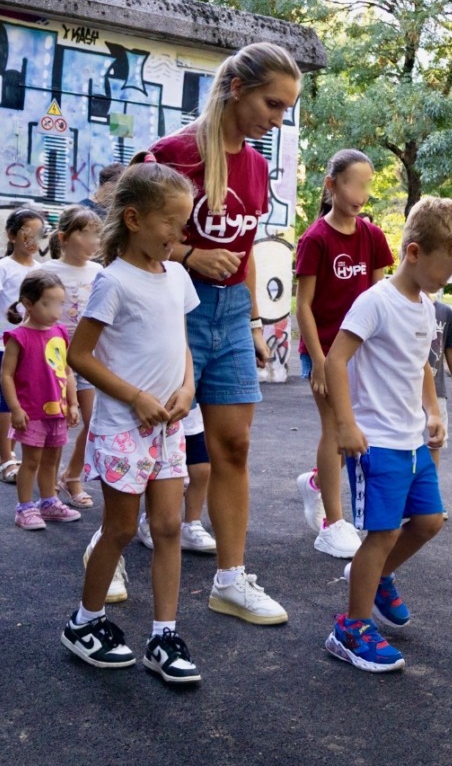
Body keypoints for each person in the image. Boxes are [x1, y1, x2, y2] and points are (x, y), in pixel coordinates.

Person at [150, 42, 302, 626]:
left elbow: (246, 253)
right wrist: (188, 252)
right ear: (237, 89)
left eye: (286, 108)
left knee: (233, 446)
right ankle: (107, 549)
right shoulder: (172, 155)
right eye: (273, 103)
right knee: (153, 442)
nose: (277, 118)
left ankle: (231, 581)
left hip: (232, 313)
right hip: (175, 311)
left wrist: (259, 321)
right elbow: (124, 234)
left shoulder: (258, 167)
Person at [323, 196, 452, 673]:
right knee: (383, 531)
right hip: (376, 441)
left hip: (413, 438)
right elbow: (335, 360)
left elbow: (419, 368)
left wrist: (432, 410)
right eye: (443, 269)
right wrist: (347, 425)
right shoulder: (375, 302)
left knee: (430, 521)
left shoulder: (427, 306)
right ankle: (350, 628)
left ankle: (379, 576)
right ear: (413, 252)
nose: (447, 280)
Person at [62, 161, 202, 683]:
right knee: (120, 528)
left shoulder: (179, 276)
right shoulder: (112, 283)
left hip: (168, 426)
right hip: (124, 426)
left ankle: (163, 635)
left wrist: (187, 387)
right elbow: (80, 356)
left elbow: (179, 343)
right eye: (171, 221)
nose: (179, 233)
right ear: (135, 219)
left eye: (183, 221)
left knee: (168, 527)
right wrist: (135, 397)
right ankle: (85, 622)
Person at [293, 148, 393, 559]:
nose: (362, 193)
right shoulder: (315, 238)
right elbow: (303, 305)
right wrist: (318, 360)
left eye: (368, 185)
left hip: (361, 354)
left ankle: (317, 482)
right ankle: (333, 524)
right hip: (323, 350)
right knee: (336, 429)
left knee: (359, 432)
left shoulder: (373, 236)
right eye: (354, 184)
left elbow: (381, 298)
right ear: (332, 185)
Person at [0, 269, 82, 530]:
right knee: (31, 460)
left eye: (59, 303)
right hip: (31, 412)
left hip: (57, 410)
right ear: (28, 304)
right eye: (48, 304)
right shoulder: (18, 337)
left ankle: (48, 502)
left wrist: (73, 403)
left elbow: (66, 371)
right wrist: (15, 408)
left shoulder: (59, 331)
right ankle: (24, 507)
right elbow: (7, 375)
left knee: (51, 460)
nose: (56, 311)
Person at [44, 205, 104, 509]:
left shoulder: (101, 273)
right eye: (87, 234)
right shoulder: (46, 271)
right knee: (53, 424)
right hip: (51, 361)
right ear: (64, 237)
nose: (95, 241)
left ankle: (72, 476)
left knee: (93, 421)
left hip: (87, 358)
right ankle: (48, 485)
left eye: (98, 234)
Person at [0, 207, 45, 485]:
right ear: (11, 235)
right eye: (26, 234)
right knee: (9, 402)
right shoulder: (2, 267)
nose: (32, 241)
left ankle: (23, 457)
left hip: (35, 346)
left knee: (29, 402)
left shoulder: (42, 271)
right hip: (4, 346)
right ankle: (5, 459)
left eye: (38, 235)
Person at [136, 405, 216, 554]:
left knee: (201, 470)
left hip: (194, 420)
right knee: (156, 472)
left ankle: (192, 524)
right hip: (159, 420)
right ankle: (149, 521)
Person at [427, 299, 452, 471]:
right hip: (405, 392)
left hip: (436, 390)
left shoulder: (445, 312)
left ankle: (429, 488)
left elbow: (451, 349)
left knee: (434, 442)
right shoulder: (401, 306)